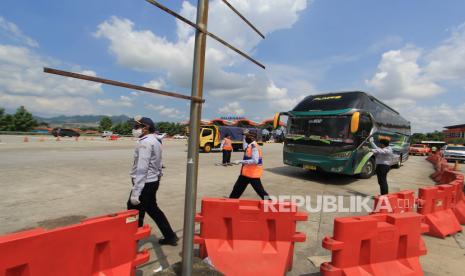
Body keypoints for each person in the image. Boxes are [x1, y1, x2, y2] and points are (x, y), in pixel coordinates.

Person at [128, 115, 178, 246]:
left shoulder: (145, 142)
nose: (134, 129)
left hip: (144, 182)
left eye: (137, 126)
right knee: (153, 209)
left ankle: (131, 243)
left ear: (146, 128)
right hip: (152, 181)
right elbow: (159, 162)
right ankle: (170, 236)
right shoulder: (155, 140)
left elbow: (142, 168)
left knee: (134, 213)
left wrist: (136, 191)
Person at [229, 132, 269, 199]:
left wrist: (240, 161)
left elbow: (255, 161)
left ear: (251, 138)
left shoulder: (254, 147)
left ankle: (269, 203)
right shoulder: (250, 146)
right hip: (245, 174)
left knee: (261, 192)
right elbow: (245, 148)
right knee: (236, 189)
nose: (245, 139)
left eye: (246, 137)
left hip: (252, 174)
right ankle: (230, 203)